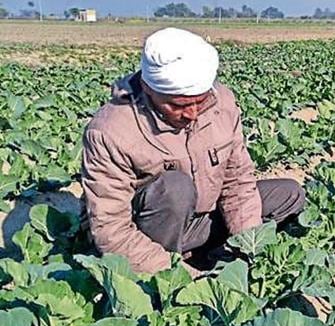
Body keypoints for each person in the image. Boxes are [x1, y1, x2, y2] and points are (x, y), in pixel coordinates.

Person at [81, 28, 305, 277]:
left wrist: (249, 248)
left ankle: (208, 257)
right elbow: (111, 230)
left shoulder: (223, 104)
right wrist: (183, 279)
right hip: (142, 232)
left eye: (200, 101)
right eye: (178, 105)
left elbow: (237, 181)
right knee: (175, 188)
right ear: (147, 88)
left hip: (197, 221)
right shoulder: (110, 131)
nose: (193, 114)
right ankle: (163, 272)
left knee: (288, 194)